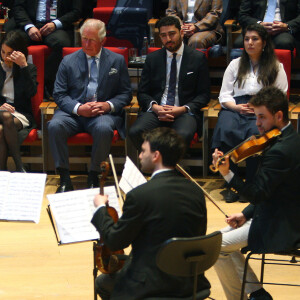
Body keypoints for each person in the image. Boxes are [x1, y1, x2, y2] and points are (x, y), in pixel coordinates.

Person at [92, 127, 209, 300]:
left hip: (152, 285)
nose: (139, 156)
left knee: (103, 283)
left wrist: (101, 209)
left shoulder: (140, 195)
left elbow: (115, 240)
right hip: (190, 282)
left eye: (144, 151)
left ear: (156, 156)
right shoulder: (196, 191)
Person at [212, 86, 300, 300]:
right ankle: (257, 295)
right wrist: (245, 214)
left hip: (280, 225)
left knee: (214, 248)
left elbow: (258, 194)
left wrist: (228, 174)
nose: (257, 123)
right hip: (277, 212)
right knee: (215, 240)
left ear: (279, 116)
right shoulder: (291, 139)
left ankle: (248, 296)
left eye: (262, 117)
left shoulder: (280, 151)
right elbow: (272, 191)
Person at [48, 19, 132, 193]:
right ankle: (64, 178)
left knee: (103, 129)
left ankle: (94, 176)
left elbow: (126, 94)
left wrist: (108, 105)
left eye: (91, 40)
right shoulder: (68, 61)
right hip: (73, 113)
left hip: (102, 114)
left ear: (103, 40)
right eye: (83, 39)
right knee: (55, 125)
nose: (86, 44)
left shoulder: (116, 61)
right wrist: (79, 108)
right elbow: (59, 94)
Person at [211, 23, 288, 202]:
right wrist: (236, 107)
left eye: (255, 39)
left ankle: (252, 184)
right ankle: (231, 183)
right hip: (236, 106)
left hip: (263, 108)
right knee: (226, 128)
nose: (250, 43)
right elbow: (224, 95)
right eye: (247, 39)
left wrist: (261, 109)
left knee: (255, 135)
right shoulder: (234, 64)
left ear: (264, 43)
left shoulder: (276, 66)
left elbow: (280, 95)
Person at [129, 16, 210, 151]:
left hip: (183, 111)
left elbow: (204, 94)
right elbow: (142, 93)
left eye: (172, 34)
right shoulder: (152, 59)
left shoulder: (197, 58)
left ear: (181, 33)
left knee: (183, 134)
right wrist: (155, 107)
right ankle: (158, 165)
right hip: (157, 111)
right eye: (163, 35)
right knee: (136, 131)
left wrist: (183, 109)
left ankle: (167, 168)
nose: (168, 39)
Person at [8, 0, 82, 98]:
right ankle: (13, 87)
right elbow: (18, 8)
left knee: (62, 44)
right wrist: (29, 27)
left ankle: (47, 83)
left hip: (56, 27)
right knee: (11, 44)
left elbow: (77, 11)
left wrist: (55, 24)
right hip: (30, 25)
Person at [0, 31, 37, 172]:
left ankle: (2, 172)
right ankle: (19, 166)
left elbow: (31, 93)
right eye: (3, 52)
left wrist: (23, 67)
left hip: (20, 113)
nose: (5, 57)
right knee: (5, 115)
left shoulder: (28, 69)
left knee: (1, 129)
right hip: (1, 111)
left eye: (9, 53)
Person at [234, 0, 300, 51]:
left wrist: (287, 26)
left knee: (284, 43)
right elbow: (242, 15)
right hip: (256, 28)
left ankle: (279, 69)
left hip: (282, 30)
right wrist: (259, 24)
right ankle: (248, 69)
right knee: (240, 43)